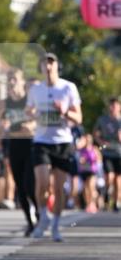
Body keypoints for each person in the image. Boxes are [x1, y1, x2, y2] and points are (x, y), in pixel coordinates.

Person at [26, 52, 82, 242]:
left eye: (51, 63)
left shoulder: (68, 88)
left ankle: (56, 226)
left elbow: (79, 118)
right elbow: (28, 111)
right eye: (44, 63)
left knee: (58, 189)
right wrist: (34, 115)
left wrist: (64, 111)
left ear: (57, 66)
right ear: (41, 67)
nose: (48, 67)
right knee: (42, 183)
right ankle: (43, 217)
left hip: (62, 142)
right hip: (41, 141)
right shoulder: (36, 90)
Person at [0, 68, 37, 235]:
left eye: (14, 79)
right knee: (20, 186)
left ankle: (41, 214)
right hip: (14, 145)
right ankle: (30, 221)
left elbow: (37, 121)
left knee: (30, 184)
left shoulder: (30, 100)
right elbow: (0, 127)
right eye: (9, 79)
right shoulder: (4, 103)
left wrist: (30, 126)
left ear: (22, 82)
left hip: (31, 145)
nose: (11, 82)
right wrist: (2, 126)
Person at [94, 97, 121, 212]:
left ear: (119, 107)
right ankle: (106, 196)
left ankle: (115, 202)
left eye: (114, 106)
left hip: (119, 153)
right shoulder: (103, 120)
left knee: (118, 180)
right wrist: (101, 142)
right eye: (111, 106)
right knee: (109, 177)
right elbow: (95, 133)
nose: (112, 108)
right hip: (107, 152)